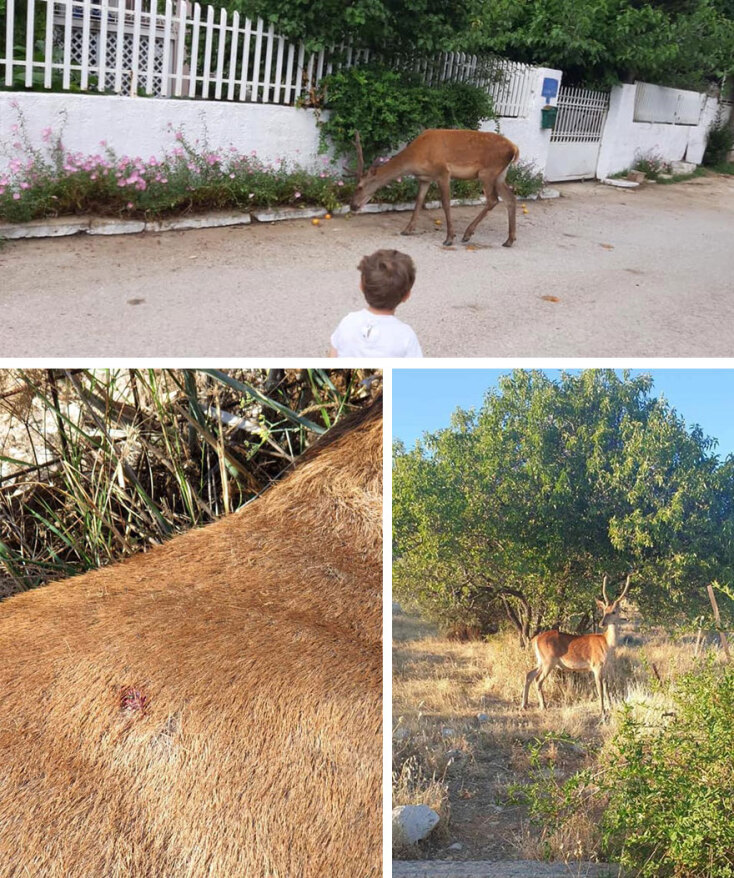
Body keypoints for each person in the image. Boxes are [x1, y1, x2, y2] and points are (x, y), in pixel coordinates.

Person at [329, 249, 423, 358]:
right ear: (407, 295)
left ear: (361, 286)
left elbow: (332, 359)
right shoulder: (406, 336)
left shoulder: (347, 322)